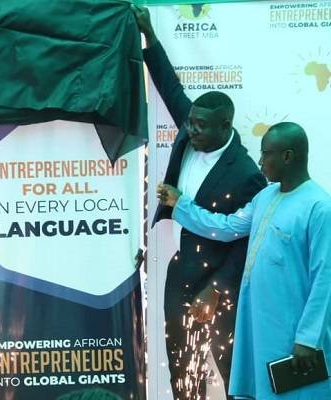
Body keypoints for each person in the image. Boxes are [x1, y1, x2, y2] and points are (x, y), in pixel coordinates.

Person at [131, 5, 267, 399]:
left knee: (230, 373)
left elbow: (248, 243)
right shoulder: (191, 129)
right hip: (182, 272)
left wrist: (219, 290)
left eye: (202, 126)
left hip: (219, 283)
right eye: (190, 122)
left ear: (227, 126)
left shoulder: (246, 174)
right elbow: (169, 85)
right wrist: (149, 36)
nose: (192, 130)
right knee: (182, 371)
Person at [158, 122, 331, 399]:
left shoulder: (320, 207)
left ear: (287, 156)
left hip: (293, 330)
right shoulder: (265, 196)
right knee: (261, 389)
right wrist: (181, 205)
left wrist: (307, 338)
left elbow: (326, 279)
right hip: (257, 322)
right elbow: (226, 227)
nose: (260, 162)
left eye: (266, 154)